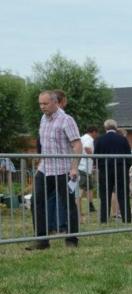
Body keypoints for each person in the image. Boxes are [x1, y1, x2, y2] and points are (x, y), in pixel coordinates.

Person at [26, 90, 81, 250]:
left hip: (63, 170)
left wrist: (74, 167)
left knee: (68, 205)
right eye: (40, 104)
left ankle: (71, 240)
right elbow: (44, 146)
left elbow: (77, 144)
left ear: (55, 102)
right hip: (44, 169)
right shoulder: (43, 119)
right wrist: (39, 166)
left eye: (45, 103)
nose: (42, 107)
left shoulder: (66, 120)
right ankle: (42, 240)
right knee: (36, 202)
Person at [94, 119, 132, 223]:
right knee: (123, 194)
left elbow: (95, 156)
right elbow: (129, 156)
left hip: (105, 170)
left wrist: (98, 167)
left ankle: (104, 219)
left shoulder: (99, 140)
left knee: (105, 195)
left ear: (105, 127)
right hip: (121, 169)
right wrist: (126, 167)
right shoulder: (123, 139)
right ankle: (127, 218)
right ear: (115, 128)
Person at [77, 126, 98, 216]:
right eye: (96, 133)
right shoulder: (89, 139)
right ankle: (78, 209)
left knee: (89, 187)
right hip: (83, 168)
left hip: (86, 168)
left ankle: (90, 205)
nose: (97, 135)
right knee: (81, 189)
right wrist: (93, 157)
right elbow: (86, 148)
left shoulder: (82, 138)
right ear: (93, 132)